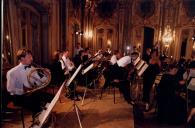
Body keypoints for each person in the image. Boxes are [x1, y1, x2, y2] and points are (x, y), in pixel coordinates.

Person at [6, 48, 53, 119]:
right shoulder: (12, 72)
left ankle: (43, 117)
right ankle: (39, 120)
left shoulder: (32, 68)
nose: (32, 59)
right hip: (18, 97)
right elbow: (10, 89)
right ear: (22, 58)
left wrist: (46, 75)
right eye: (29, 57)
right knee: (36, 103)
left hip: (32, 93)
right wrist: (23, 90)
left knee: (51, 98)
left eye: (31, 56)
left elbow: (39, 82)